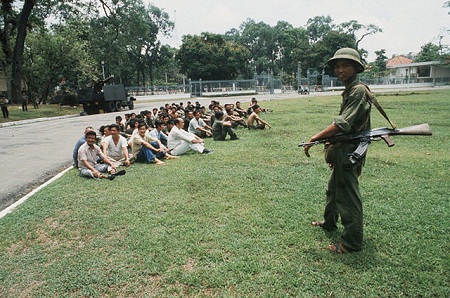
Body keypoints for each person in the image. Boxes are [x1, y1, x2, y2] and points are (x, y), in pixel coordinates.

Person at [304, 47, 371, 254]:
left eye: (346, 65)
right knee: (333, 190)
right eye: (338, 66)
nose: (340, 70)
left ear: (356, 67)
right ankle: (329, 222)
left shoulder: (358, 90)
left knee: (348, 196)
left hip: (350, 150)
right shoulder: (350, 89)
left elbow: (343, 124)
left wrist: (316, 137)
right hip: (343, 148)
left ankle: (351, 243)